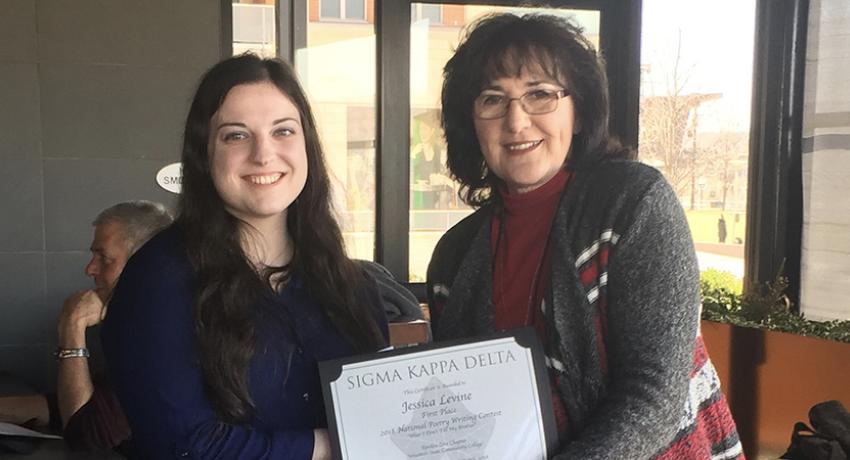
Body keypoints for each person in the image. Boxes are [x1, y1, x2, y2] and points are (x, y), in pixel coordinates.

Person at [426, 13, 743, 459]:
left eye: (539, 94)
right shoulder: (453, 257)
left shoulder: (633, 203)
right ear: (471, 123)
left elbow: (654, 395)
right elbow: (462, 409)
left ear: (578, 113)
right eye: (493, 99)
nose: (516, 122)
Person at [101, 54, 402, 459]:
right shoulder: (158, 280)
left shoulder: (352, 286)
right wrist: (334, 445)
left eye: (283, 131)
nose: (264, 154)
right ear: (203, 156)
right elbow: (183, 447)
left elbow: (381, 414)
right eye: (236, 135)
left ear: (307, 146)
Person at [0, 200, 172, 452]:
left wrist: (73, 327)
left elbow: (86, 436)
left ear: (147, 263)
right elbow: (85, 405)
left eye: (104, 257)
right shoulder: (138, 320)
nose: (90, 269)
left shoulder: (163, 335)